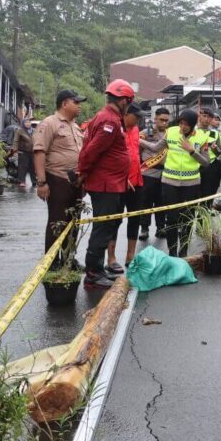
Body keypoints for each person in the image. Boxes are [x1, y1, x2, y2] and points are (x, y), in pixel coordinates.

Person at [78, 79, 133, 289]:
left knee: (105, 225)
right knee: (102, 227)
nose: (127, 106)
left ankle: (98, 270)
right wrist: (82, 172)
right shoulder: (109, 121)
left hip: (110, 182)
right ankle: (93, 273)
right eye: (127, 102)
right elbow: (92, 150)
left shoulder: (108, 118)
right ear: (123, 100)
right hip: (105, 184)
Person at [32, 89, 87, 265]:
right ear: (64, 103)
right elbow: (39, 152)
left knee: (74, 222)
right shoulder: (49, 123)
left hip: (75, 181)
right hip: (57, 179)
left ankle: (68, 259)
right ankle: (52, 261)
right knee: (57, 221)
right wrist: (41, 183)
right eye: (76, 102)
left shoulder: (75, 126)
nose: (79, 106)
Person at [161, 109, 210, 257]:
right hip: (170, 182)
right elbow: (156, 147)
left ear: (193, 124)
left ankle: (183, 252)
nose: (183, 126)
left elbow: (206, 162)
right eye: (181, 123)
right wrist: (139, 140)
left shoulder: (202, 137)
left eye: (186, 124)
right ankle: (172, 252)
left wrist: (192, 151)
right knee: (171, 219)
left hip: (191, 184)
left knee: (188, 219)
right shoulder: (170, 132)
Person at [105, 102, 145, 268]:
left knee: (135, 219)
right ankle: (111, 258)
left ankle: (130, 257)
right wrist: (122, 177)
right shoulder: (115, 129)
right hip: (118, 183)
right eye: (136, 117)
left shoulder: (136, 130)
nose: (138, 121)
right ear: (126, 114)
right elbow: (107, 158)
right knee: (115, 220)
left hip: (137, 181)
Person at [138, 107, 170, 240]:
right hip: (148, 172)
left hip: (164, 173)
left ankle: (161, 227)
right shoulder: (145, 133)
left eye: (167, 120)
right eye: (161, 120)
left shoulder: (170, 134)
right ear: (155, 119)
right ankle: (144, 229)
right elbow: (138, 151)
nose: (164, 123)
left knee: (161, 202)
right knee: (146, 202)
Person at [197, 107, 221, 204]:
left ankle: (204, 216)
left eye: (209, 117)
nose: (207, 119)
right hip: (195, 166)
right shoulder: (193, 131)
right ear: (199, 116)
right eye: (204, 116)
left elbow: (219, 152)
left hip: (211, 166)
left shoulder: (213, 133)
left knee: (209, 193)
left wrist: (215, 148)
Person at [13, 119, 37, 187]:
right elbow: (16, 140)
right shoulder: (20, 130)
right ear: (23, 123)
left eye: (29, 122)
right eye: (26, 122)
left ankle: (34, 181)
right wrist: (15, 149)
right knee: (23, 167)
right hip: (23, 151)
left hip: (32, 151)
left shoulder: (34, 130)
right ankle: (22, 181)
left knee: (33, 167)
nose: (28, 123)